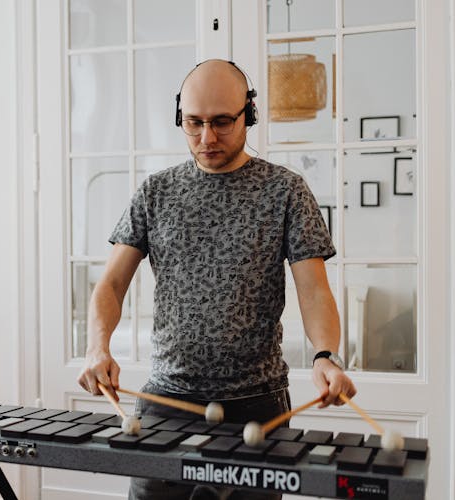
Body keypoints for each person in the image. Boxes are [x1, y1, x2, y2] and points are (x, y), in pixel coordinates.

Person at [76, 59, 357, 500]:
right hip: (166, 401)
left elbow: (314, 290)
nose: (207, 138)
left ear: (250, 114)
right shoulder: (156, 192)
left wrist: (326, 355)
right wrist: (97, 347)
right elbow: (111, 284)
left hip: (257, 405)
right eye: (194, 123)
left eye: (223, 122)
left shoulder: (285, 190)